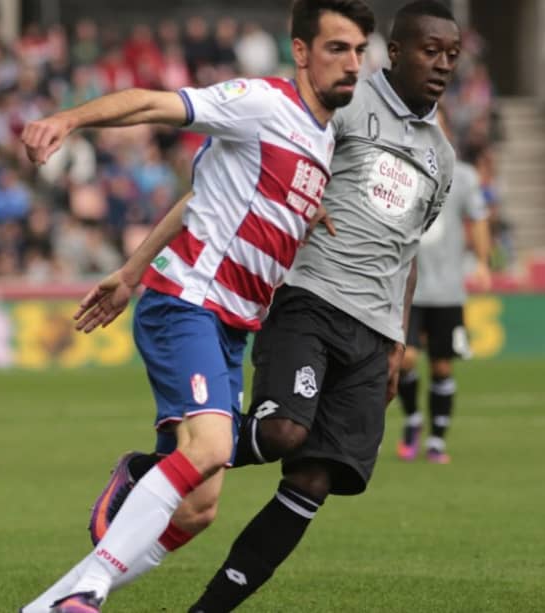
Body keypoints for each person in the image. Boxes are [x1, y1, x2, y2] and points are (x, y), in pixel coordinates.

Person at [17, 2, 373, 611]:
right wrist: (70, 118)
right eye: (338, 48)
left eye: (360, 50)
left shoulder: (322, 139)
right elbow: (154, 102)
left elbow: (200, 197)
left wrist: (130, 270)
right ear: (301, 51)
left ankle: (53, 601)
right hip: (188, 303)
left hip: (233, 327)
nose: (353, 63)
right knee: (209, 449)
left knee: (199, 508)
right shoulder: (262, 102)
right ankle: (90, 592)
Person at [187, 2, 460, 610]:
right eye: (428, 51)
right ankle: (169, 458)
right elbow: (274, 161)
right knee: (284, 431)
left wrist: (397, 341)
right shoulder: (348, 102)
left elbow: (406, 252)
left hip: (375, 333)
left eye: (451, 56)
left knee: (313, 481)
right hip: (309, 298)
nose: (441, 65)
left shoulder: (442, 158)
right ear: (395, 52)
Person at [395, 106, 491, 464]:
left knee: (442, 366)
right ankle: (413, 420)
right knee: (405, 360)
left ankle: (436, 439)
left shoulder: (464, 177)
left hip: (448, 289)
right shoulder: (401, 171)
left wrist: (481, 261)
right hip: (407, 288)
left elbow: (478, 219)